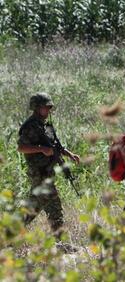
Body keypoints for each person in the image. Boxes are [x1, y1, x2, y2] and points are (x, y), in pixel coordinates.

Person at [17, 93, 80, 242]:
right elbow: (21, 147)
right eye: (46, 107)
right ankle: (62, 244)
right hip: (39, 173)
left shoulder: (45, 125)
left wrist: (69, 154)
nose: (48, 110)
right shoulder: (30, 126)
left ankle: (9, 235)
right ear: (37, 108)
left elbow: (55, 146)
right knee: (54, 206)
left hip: (47, 171)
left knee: (34, 208)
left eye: (49, 107)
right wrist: (41, 149)